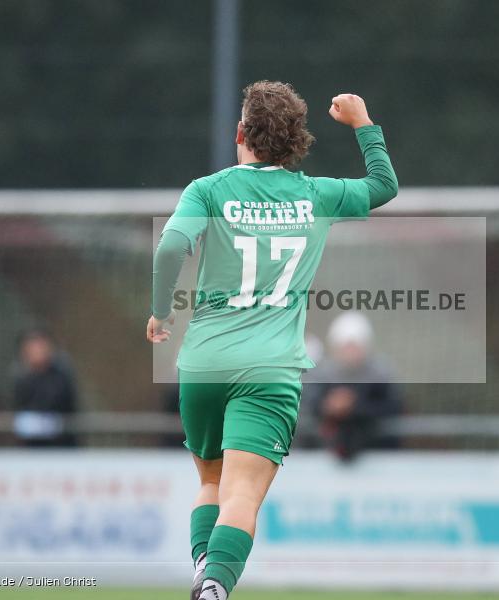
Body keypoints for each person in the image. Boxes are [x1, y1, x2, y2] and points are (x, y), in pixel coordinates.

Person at [147, 81, 397, 600]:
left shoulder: (208, 190)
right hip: (269, 369)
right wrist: (363, 124)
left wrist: (159, 310)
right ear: (296, 143)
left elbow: (171, 246)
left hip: (205, 363)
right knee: (242, 493)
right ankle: (215, 585)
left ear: (240, 133)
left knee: (211, 485)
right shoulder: (317, 194)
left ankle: (203, 575)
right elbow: (383, 185)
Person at [305, 311, 401, 461]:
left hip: (377, 453)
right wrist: (328, 407)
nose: (350, 353)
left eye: (354, 346)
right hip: (327, 456)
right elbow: (311, 406)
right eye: (346, 347)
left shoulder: (380, 374)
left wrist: (354, 407)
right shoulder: (323, 376)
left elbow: (392, 407)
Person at [11, 328, 79, 447]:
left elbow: (61, 403)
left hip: (62, 445)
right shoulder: (21, 377)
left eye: (40, 347)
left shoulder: (61, 374)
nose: (37, 351)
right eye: (32, 348)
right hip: (32, 447)